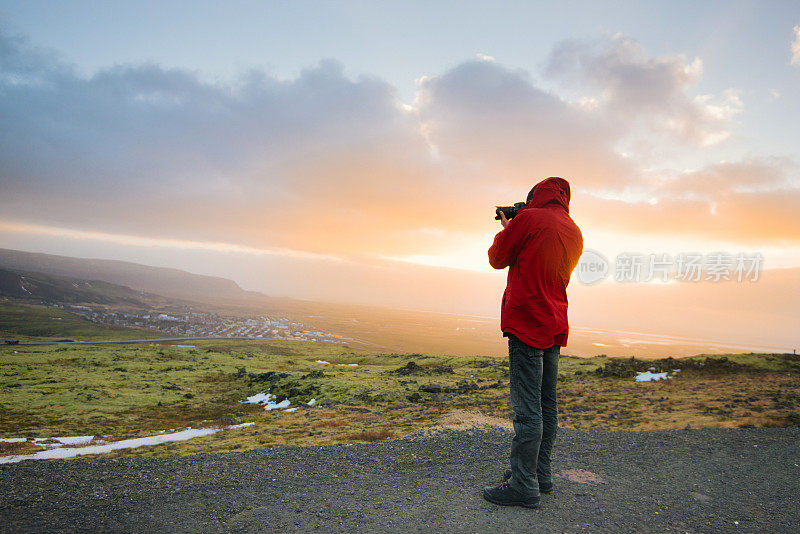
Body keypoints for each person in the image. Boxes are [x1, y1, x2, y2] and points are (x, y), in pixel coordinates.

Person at [482, 176, 583, 509]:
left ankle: (523, 485)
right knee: (546, 405)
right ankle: (540, 475)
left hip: (527, 321)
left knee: (527, 410)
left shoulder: (528, 219)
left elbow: (498, 257)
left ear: (535, 197)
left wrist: (508, 225)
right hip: (555, 323)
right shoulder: (573, 230)